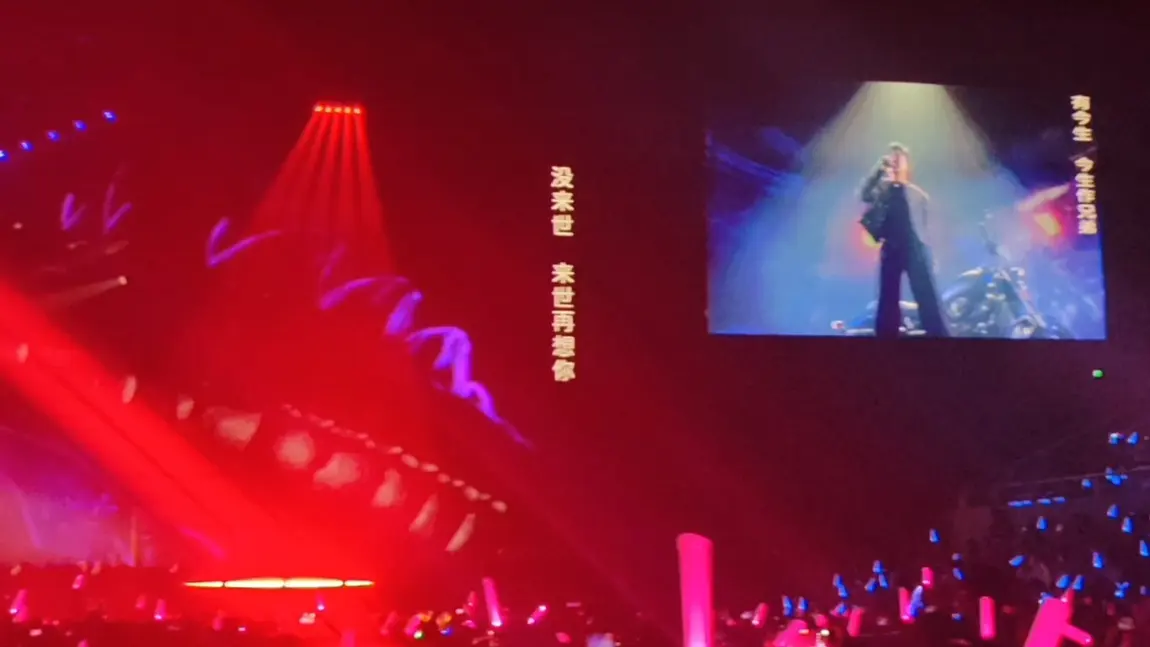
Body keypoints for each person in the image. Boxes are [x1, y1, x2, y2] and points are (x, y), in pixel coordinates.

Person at [859, 143, 949, 337]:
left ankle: (938, 334)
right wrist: (878, 170)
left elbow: (926, 227)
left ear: (907, 165)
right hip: (891, 246)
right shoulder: (882, 191)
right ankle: (886, 335)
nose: (896, 165)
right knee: (888, 295)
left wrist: (931, 253)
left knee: (926, 294)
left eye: (899, 160)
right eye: (893, 160)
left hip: (914, 247)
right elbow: (864, 195)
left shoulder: (917, 194)